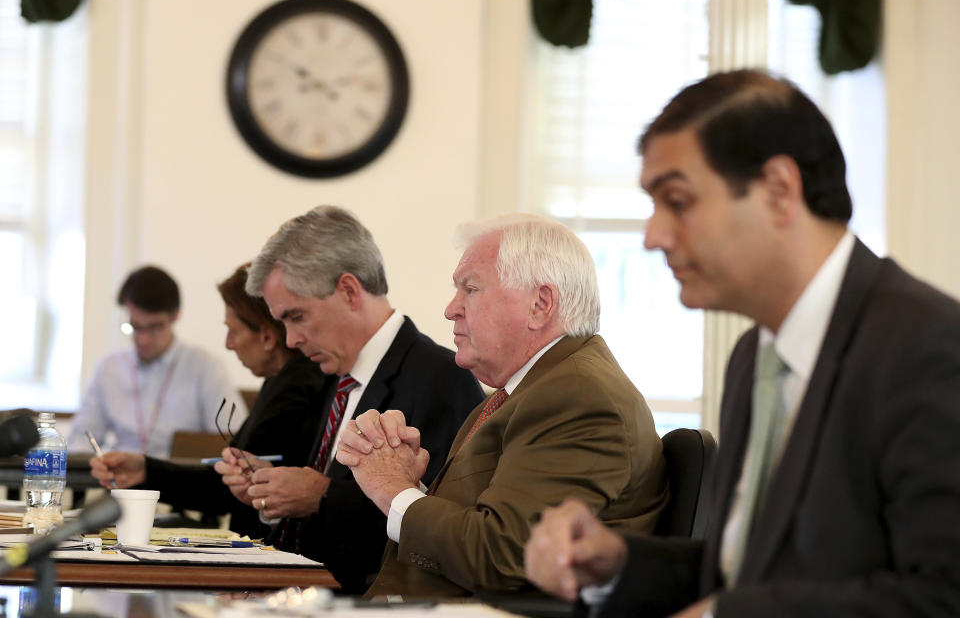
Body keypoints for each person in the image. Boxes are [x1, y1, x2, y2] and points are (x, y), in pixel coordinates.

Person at [523, 69, 960, 617]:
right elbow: (745, 574)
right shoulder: (753, 357)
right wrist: (615, 564)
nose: (653, 236)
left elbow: (943, 597)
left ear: (779, 190)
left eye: (677, 201)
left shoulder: (929, 349)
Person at [336, 214, 668, 598]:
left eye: (470, 289)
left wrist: (392, 490)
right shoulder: (523, 392)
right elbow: (486, 526)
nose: (451, 309)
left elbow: (503, 557)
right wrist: (409, 482)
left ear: (541, 304)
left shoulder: (577, 396)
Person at [214, 205, 482, 593]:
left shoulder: (440, 378)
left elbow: (439, 531)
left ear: (349, 291)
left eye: (297, 317)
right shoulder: (337, 376)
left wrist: (321, 496)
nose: (290, 340)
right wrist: (273, 494)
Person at [88, 263, 333, 538]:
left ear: (266, 335)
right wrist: (146, 469)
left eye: (233, 331)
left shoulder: (295, 387)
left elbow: (224, 490)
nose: (228, 343)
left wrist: (148, 472)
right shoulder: (284, 380)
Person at [68, 265, 245, 458]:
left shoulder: (206, 368)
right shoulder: (109, 368)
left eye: (154, 327)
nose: (143, 339)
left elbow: (232, 440)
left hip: (178, 480)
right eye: (134, 327)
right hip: (120, 483)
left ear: (176, 315)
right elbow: (82, 438)